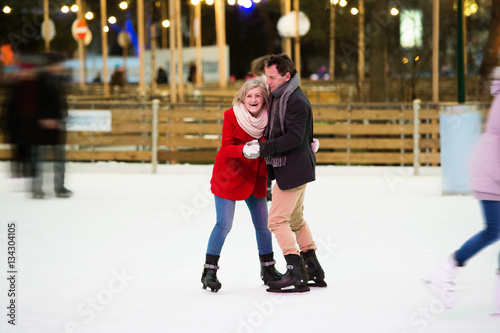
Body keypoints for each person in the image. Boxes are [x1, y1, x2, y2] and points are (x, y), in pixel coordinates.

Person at [243, 53, 326, 293]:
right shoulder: (282, 95)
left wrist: (261, 149)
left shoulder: (295, 99)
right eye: (266, 76)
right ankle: (313, 268)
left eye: (271, 77)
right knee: (295, 219)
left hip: (293, 168)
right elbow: (301, 133)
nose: (267, 82)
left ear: (286, 76)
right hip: (295, 167)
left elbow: (293, 137)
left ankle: (296, 272)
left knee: (277, 221)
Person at [425, 67, 500, 313]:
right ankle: (444, 271)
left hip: (491, 170)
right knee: (493, 229)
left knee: (495, 230)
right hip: (493, 173)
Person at [201, 78, 283, 292]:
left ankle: (268, 269)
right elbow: (226, 146)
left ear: (264, 99)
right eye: (249, 95)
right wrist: (243, 150)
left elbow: (283, 138)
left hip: (255, 177)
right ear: (242, 98)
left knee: (263, 226)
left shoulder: (269, 118)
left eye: (258, 95)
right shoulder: (231, 115)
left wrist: (306, 145)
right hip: (229, 176)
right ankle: (209, 271)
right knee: (224, 224)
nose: (253, 99)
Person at [31, 53, 72, 199]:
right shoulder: (40, 80)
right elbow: (36, 102)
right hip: (42, 126)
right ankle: (36, 187)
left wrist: (62, 118)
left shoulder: (58, 80)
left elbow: (60, 103)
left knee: (59, 157)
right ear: (52, 65)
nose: (61, 68)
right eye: (59, 65)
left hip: (57, 124)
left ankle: (59, 186)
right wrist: (44, 118)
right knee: (38, 156)